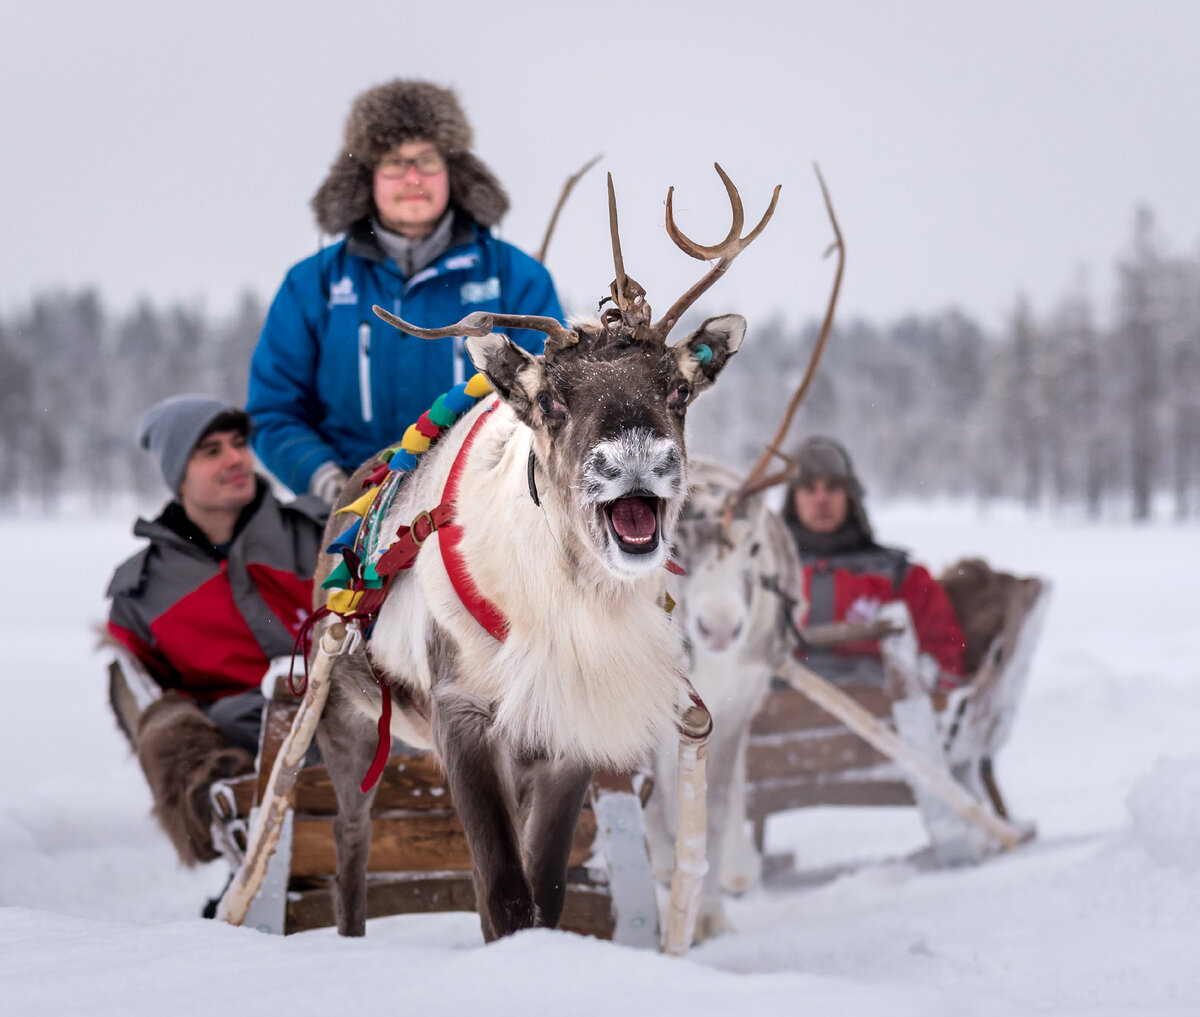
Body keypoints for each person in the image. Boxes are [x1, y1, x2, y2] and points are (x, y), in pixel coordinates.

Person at [246, 79, 564, 504]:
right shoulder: (311, 286)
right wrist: (329, 482)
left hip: (478, 510)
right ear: (366, 177)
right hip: (343, 514)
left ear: (454, 170)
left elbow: (549, 397)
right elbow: (274, 410)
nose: (412, 177)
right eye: (394, 162)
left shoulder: (518, 278)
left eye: (427, 160)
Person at [106, 394, 328, 865]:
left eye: (239, 444)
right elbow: (143, 699)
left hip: (354, 721)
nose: (236, 460)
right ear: (178, 474)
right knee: (225, 718)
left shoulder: (318, 535)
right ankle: (253, 859)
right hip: (244, 753)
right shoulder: (142, 594)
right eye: (211, 451)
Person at [781, 436, 967, 689]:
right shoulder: (766, 574)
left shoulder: (900, 576)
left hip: (877, 714)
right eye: (809, 489)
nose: (821, 499)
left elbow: (945, 656)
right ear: (793, 500)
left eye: (833, 487)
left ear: (851, 496)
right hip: (780, 712)